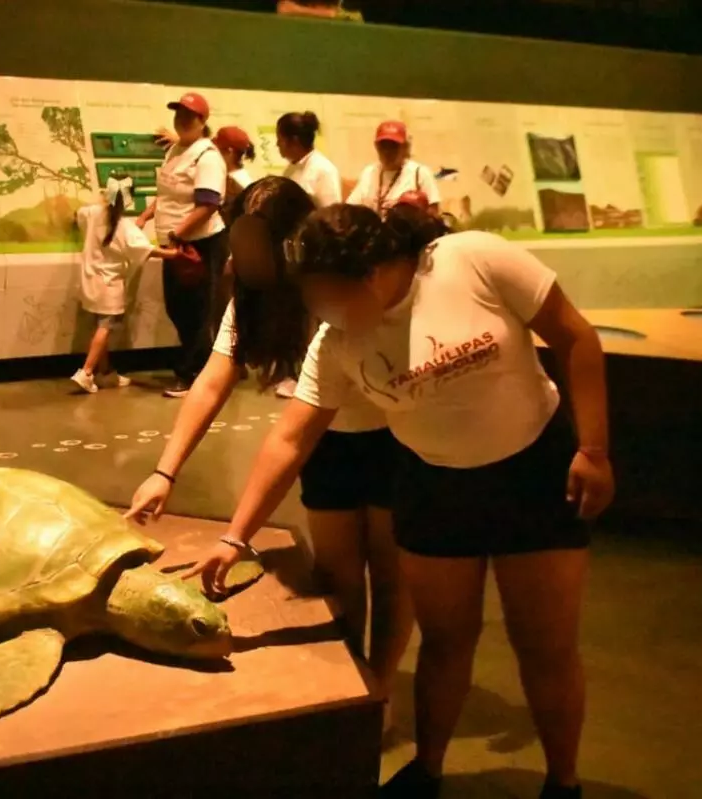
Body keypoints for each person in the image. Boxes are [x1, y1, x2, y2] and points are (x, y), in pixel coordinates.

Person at [186, 202, 614, 799]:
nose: (321, 312)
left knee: (544, 646)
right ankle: (427, 771)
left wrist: (593, 449)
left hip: (532, 473)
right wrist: (236, 536)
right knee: (444, 643)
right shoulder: (337, 342)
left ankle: (562, 782)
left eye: (327, 295)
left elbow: (574, 336)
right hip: (434, 486)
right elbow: (291, 438)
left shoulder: (471, 260)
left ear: (370, 275)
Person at [126, 176, 412, 727]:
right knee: (339, 576)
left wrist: (236, 536)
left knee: (392, 576)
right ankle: (354, 691)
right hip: (327, 443)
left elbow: (289, 434)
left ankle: (380, 685)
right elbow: (214, 380)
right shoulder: (252, 298)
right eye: (238, 240)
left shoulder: (331, 288)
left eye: (256, 244)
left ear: (292, 243)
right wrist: (165, 471)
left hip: (392, 438)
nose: (241, 256)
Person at [137, 92, 229, 399]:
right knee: (176, 306)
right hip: (176, 243)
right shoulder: (176, 150)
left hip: (200, 244)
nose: (182, 121)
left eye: (189, 116)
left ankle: (192, 373)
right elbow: (168, 194)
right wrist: (146, 216)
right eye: (179, 115)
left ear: (203, 121)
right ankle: (202, 366)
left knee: (196, 310)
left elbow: (208, 204)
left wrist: (179, 233)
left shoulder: (208, 157)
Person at [71, 175, 178, 394]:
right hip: (108, 284)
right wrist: (174, 254)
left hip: (89, 280)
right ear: (129, 199)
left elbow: (78, 215)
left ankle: (105, 373)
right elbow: (146, 249)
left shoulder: (92, 213)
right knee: (105, 327)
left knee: (98, 326)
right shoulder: (124, 226)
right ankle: (86, 372)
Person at [273, 111, 341, 398]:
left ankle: (311, 374)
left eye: (280, 139)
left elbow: (331, 214)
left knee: (313, 316)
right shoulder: (291, 170)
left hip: (313, 253)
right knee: (293, 315)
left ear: (294, 140)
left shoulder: (322, 170)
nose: (277, 145)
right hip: (292, 252)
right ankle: (293, 371)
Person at [347, 120, 441, 217]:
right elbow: (350, 208)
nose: (387, 152)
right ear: (376, 147)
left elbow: (433, 214)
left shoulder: (420, 173)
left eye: (393, 146)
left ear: (405, 147)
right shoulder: (369, 172)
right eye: (383, 146)